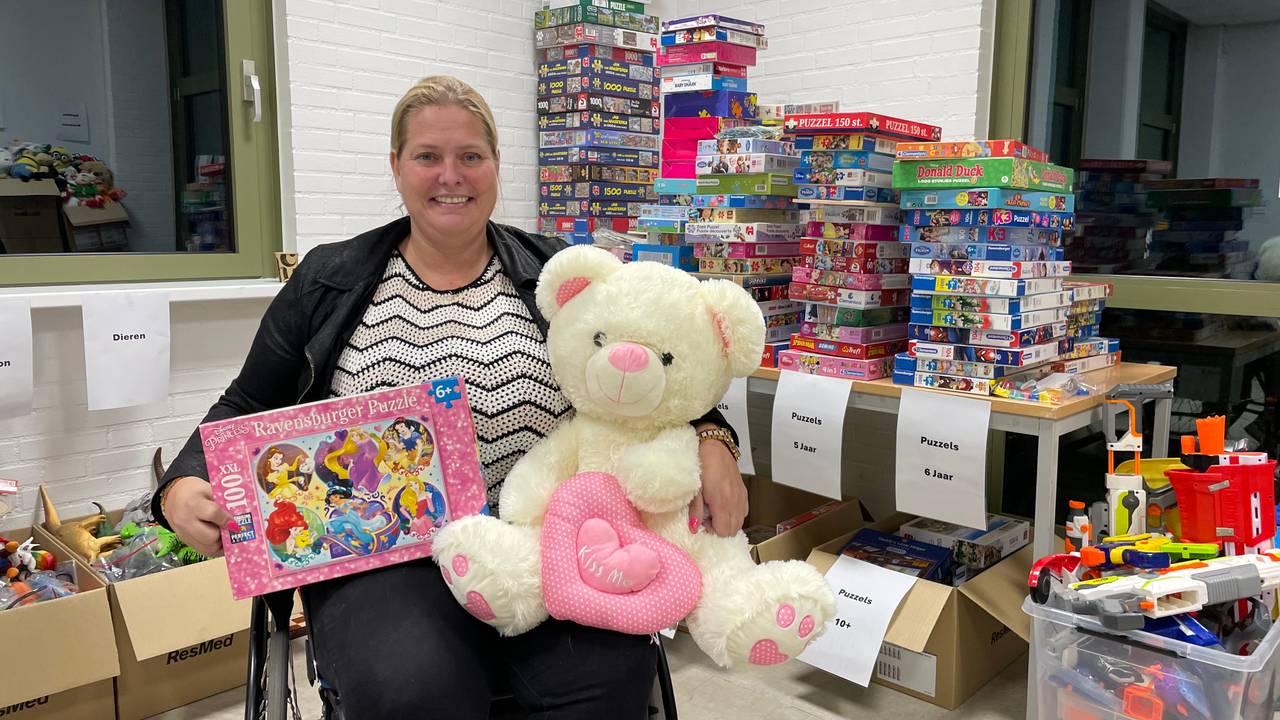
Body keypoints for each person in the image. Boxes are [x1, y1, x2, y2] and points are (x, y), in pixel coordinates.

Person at [151, 75, 749, 720]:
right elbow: (245, 402)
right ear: (396, 167)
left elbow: (659, 366)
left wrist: (714, 437)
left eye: (470, 156)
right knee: (417, 690)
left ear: (495, 165)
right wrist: (178, 488)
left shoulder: (557, 271)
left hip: (551, 536)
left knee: (609, 678)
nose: (451, 176)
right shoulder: (329, 279)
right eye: (427, 157)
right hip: (384, 558)